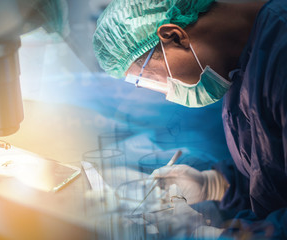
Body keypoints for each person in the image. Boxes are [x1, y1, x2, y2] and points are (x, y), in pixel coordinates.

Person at [93, 0, 287, 238]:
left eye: (153, 81)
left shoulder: (281, 53)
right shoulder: (239, 69)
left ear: (174, 36)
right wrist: (213, 184)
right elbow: (270, 176)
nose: (167, 94)